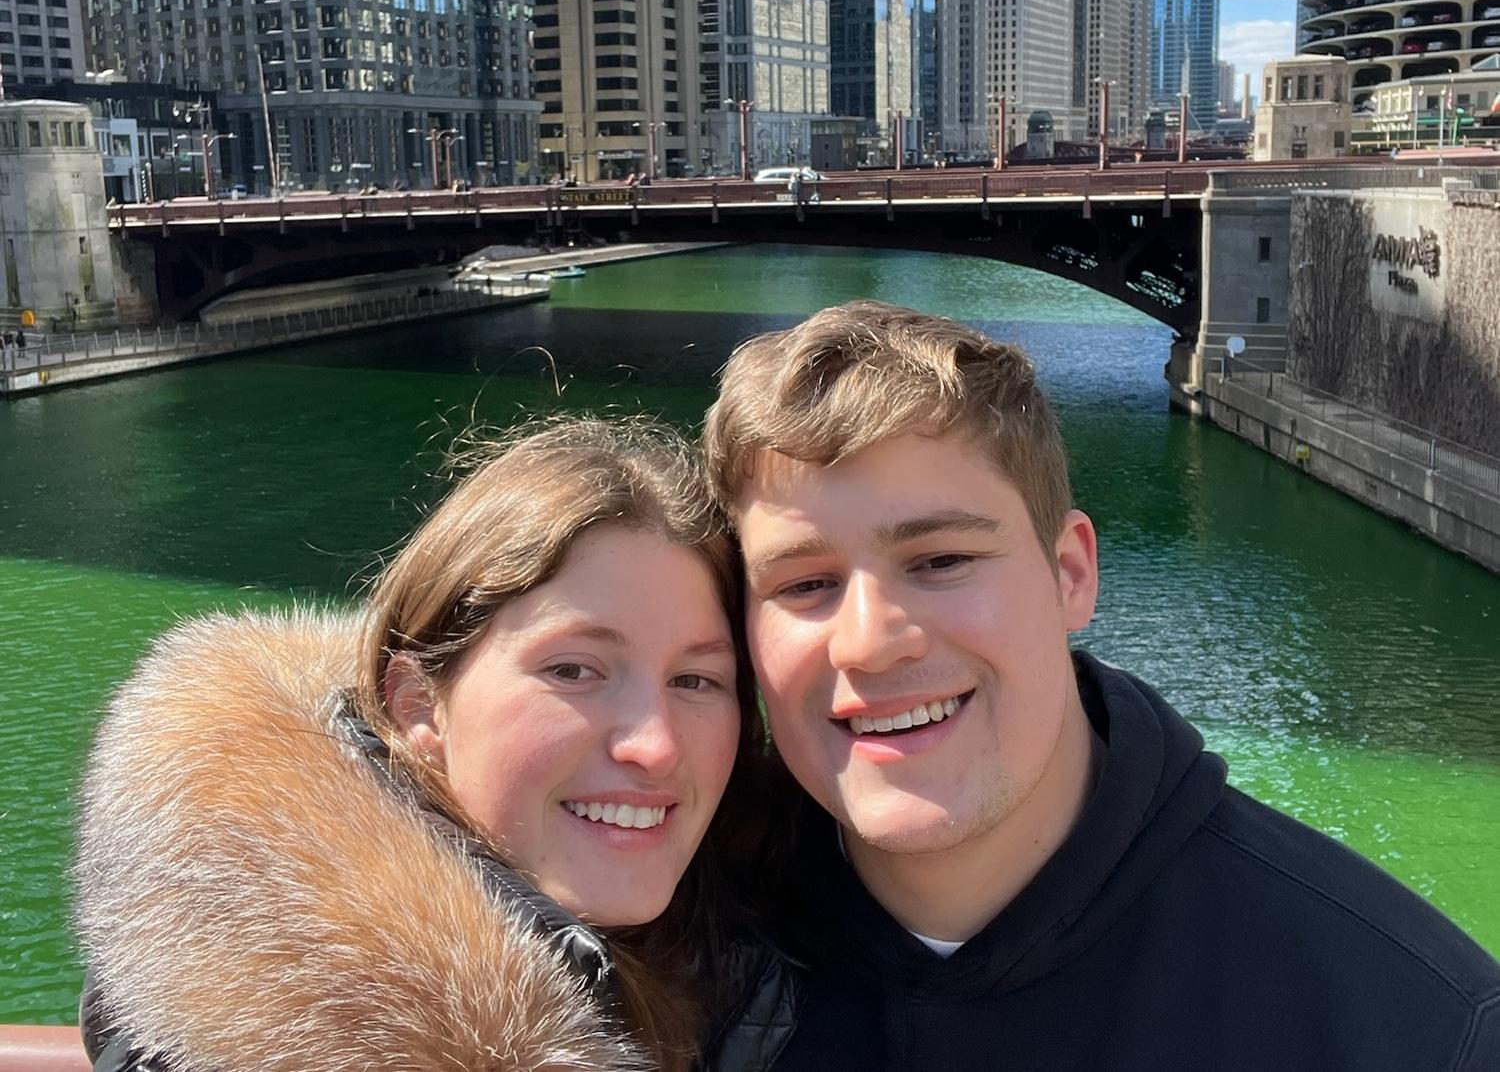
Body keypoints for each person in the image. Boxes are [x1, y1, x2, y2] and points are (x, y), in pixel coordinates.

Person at [701, 301, 1500, 1071]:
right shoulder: (668, 960)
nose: (871, 643)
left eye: (941, 561)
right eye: (804, 585)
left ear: (1071, 574)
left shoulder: (1422, 1026)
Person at [75, 416, 783, 1072]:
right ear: (418, 707)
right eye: (573, 670)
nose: (654, 746)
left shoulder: (765, 942)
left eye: (696, 679)